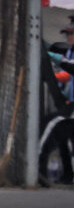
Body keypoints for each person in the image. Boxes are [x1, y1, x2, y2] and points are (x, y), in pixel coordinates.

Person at [39, 18, 74, 183]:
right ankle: (67, 175)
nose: (68, 37)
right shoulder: (70, 51)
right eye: (67, 34)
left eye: (71, 33)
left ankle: (36, 167)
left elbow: (68, 69)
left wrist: (51, 56)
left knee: (50, 126)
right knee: (62, 138)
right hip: (70, 103)